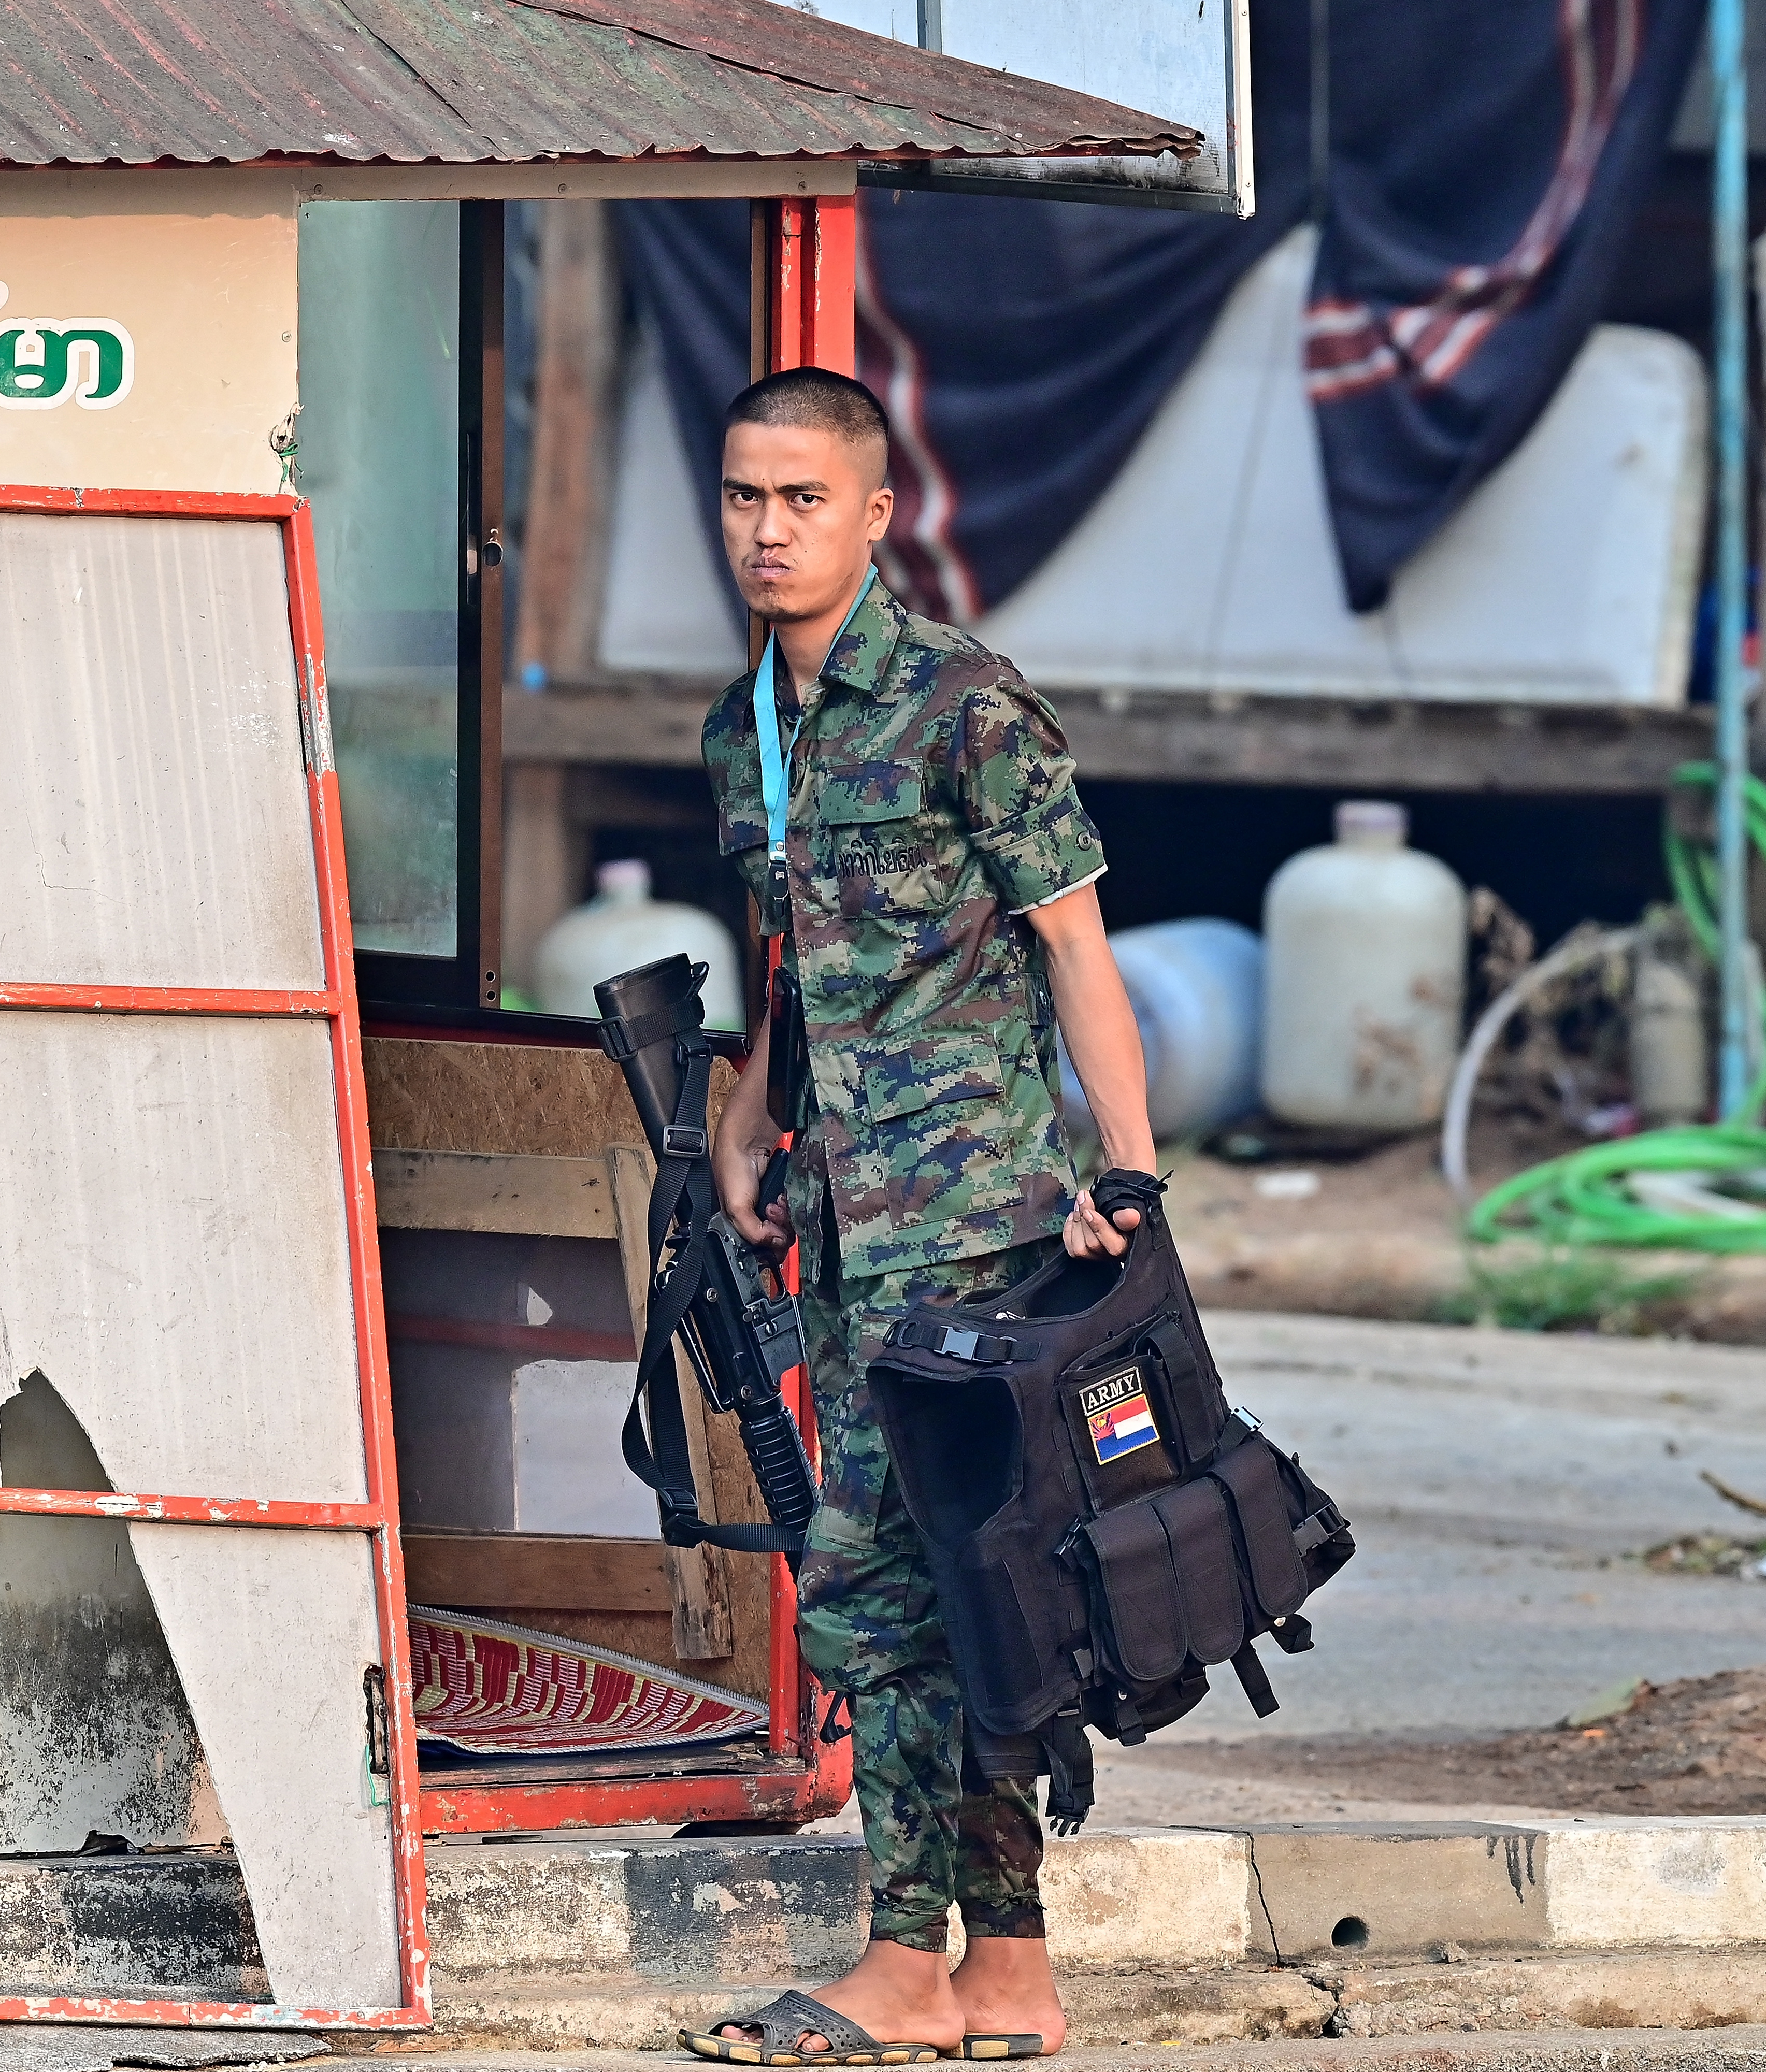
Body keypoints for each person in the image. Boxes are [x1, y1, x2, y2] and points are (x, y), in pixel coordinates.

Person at [683, 368, 1157, 2067]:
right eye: (744, 494)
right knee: (961, 1594)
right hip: (837, 1229)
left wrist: (1131, 1175)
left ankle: (903, 1961)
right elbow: (794, 959)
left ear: (876, 514)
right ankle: (1007, 1974)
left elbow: (1077, 949)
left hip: (975, 1238)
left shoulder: (965, 707)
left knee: (897, 1589)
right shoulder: (744, 728)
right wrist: (748, 1113)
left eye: (802, 498)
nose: (767, 527)